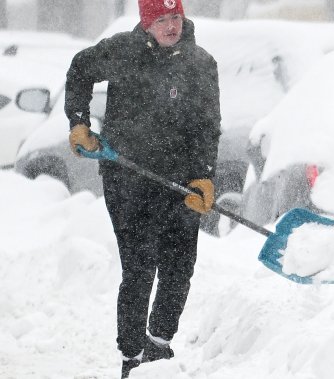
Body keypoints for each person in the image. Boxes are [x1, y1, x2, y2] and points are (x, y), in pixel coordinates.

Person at [64, 0, 221, 377]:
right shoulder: (122, 51)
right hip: (128, 180)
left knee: (179, 267)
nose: (171, 26)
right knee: (139, 268)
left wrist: (203, 176)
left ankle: (160, 343)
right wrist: (79, 121)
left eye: (176, 18)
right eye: (162, 19)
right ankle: (132, 355)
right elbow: (80, 69)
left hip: (180, 183)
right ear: (146, 23)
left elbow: (208, 124)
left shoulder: (201, 64)